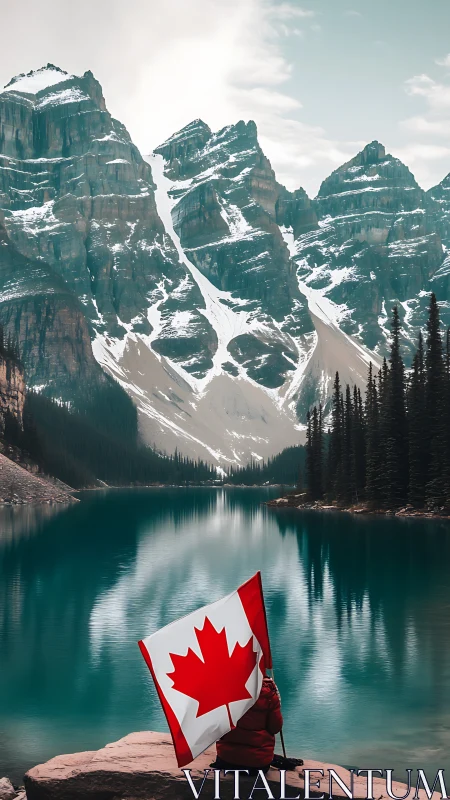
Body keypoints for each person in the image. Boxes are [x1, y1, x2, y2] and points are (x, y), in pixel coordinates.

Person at [213, 676, 283, 775]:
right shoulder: (269, 695)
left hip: (226, 760)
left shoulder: (227, 688)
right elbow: (275, 728)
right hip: (257, 765)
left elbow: (218, 726)